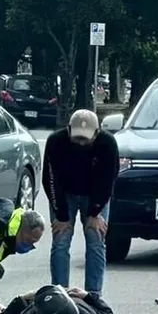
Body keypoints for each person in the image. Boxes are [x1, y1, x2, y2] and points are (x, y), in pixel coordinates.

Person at [43, 109, 120, 295]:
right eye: (77, 137)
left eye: (85, 138)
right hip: (64, 193)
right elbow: (50, 179)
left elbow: (108, 179)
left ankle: (94, 294)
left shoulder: (107, 143)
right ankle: (60, 292)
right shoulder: (55, 142)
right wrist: (61, 214)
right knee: (61, 240)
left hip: (94, 194)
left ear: (97, 132)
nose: (80, 142)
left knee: (96, 238)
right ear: (68, 130)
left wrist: (95, 213)